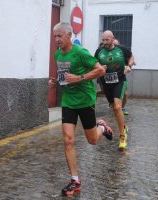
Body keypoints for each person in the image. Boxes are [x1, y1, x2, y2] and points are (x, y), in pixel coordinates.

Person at [49, 22, 113, 196]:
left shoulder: (81, 52)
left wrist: (79, 78)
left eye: (59, 36)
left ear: (69, 35)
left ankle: (102, 127)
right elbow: (64, 75)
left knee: (92, 140)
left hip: (85, 101)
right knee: (68, 140)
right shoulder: (57, 55)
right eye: (55, 36)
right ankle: (75, 180)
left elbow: (100, 70)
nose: (56, 40)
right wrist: (56, 82)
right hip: (68, 101)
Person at [95, 30, 134, 150]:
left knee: (118, 107)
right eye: (103, 40)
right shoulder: (99, 51)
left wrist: (129, 66)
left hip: (119, 81)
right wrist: (100, 68)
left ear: (112, 39)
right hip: (106, 84)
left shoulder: (121, 49)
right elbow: (94, 63)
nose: (105, 42)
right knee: (114, 108)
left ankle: (122, 136)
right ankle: (124, 127)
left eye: (107, 40)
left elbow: (131, 57)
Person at [113, 39, 136, 115]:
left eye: (117, 45)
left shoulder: (122, 52)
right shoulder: (107, 54)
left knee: (125, 94)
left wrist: (129, 65)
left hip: (121, 77)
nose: (115, 46)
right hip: (109, 77)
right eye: (114, 44)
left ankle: (122, 108)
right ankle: (114, 105)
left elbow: (131, 60)